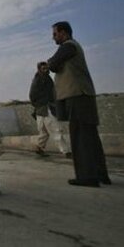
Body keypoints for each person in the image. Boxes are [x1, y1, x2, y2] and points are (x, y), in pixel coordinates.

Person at [47, 21, 110, 187]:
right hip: (84, 95)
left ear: (63, 33)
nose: (53, 37)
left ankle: (87, 177)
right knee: (90, 137)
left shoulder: (68, 46)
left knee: (80, 137)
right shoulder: (74, 46)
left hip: (77, 96)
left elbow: (52, 64)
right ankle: (100, 173)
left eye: (55, 34)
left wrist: (50, 62)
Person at [29, 61, 72, 157]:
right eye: (43, 69)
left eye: (46, 68)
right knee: (56, 130)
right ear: (39, 69)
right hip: (44, 109)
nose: (46, 70)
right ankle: (66, 151)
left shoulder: (46, 79)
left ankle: (39, 148)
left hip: (42, 110)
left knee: (44, 132)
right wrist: (43, 104)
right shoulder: (39, 80)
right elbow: (32, 96)